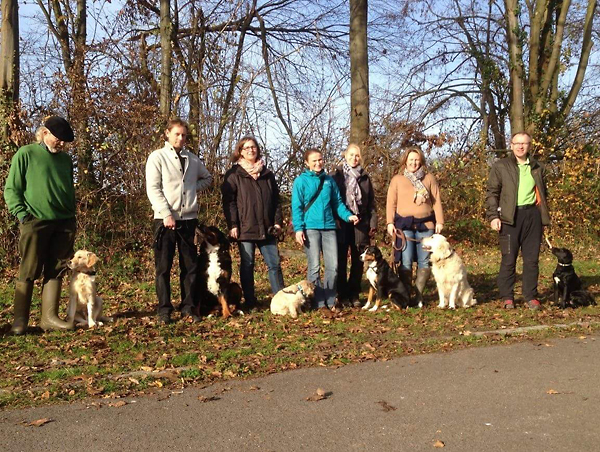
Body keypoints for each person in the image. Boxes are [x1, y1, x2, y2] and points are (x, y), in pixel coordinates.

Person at [4, 115, 77, 335]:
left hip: (64, 222)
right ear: (44, 133)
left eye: (64, 141)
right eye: (58, 139)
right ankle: (20, 322)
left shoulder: (65, 160)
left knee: (57, 269)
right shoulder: (26, 153)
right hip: (34, 221)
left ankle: (49, 318)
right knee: (29, 269)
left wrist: (71, 214)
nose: (61, 143)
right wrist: (22, 215)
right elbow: (12, 189)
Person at [146, 118, 212, 324]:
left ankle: (188, 307)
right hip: (164, 220)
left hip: (188, 220)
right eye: (177, 134)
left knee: (190, 267)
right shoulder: (157, 157)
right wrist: (166, 213)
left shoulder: (192, 159)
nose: (181, 138)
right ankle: (164, 309)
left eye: (184, 135)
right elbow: (153, 188)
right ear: (167, 133)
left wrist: (191, 189)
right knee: (163, 267)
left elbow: (208, 178)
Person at [485, 131, 550, 310]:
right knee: (509, 259)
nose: (520, 146)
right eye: (517, 143)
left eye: (524, 143)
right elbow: (492, 193)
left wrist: (543, 215)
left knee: (531, 260)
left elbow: (544, 193)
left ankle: (531, 296)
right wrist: (493, 216)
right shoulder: (501, 166)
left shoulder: (538, 166)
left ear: (529, 146)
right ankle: (507, 297)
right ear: (511, 145)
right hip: (509, 218)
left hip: (532, 216)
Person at [221, 136, 285, 309]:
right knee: (247, 265)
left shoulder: (267, 174)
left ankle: (280, 300)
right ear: (240, 152)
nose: (251, 150)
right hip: (245, 227)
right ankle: (250, 301)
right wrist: (233, 225)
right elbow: (229, 203)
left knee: (274, 264)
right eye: (246, 147)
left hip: (268, 227)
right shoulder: (234, 175)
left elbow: (276, 201)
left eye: (253, 147)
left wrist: (278, 222)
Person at [292, 148, 359, 311]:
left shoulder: (329, 181)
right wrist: (298, 229)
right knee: (314, 267)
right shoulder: (300, 181)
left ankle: (330, 299)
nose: (318, 163)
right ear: (307, 163)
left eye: (320, 160)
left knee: (333, 267)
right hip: (310, 228)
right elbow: (297, 207)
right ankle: (318, 302)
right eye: (314, 160)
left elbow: (337, 203)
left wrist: (348, 216)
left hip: (329, 228)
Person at [386, 146, 444, 307]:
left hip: (426, 226)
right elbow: (391, 203)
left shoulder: (429, 178)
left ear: (421, 161)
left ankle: (418, 296)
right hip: (404, 227)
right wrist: (389, 222)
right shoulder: (397, 180)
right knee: (405, 261)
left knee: (424, 262)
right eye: (411, 159)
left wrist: (440, 221)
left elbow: (436, 201)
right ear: (405, 161)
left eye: (417, 160)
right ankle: (405, 295)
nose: (414, 163)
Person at [331, 143, 377, 308]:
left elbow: (371, 203)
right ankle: (342, 294)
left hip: (361, 223)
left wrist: (373, 223)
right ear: (345, 155)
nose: (354, 158)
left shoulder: (365, 177)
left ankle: (354, 293)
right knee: (341, 260)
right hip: (341, 223)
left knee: (358, 260)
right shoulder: (336, 176)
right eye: (351, 155)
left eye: (357, 155)